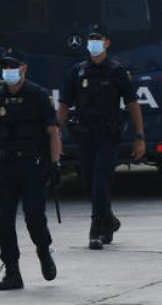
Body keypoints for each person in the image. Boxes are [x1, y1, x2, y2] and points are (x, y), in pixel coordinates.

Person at [0, 49, 61, 290]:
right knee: (4, 220)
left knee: (34, 216)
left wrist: (55, 163)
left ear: (24, 68)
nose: (9, 70)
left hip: (32, 164)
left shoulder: (38, 95)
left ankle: (43, 249)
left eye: (14, 66)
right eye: (5, 66)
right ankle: (12, 270)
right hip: (5, 166)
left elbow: (53, 132)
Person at [57, 25, 146, 250]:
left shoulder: (116, 71)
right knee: (88, 181)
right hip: (85, 135)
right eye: (91, 39)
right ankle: (109, 219)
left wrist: (140, 136)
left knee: (99, 179)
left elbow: (133, 104)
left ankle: (96, 229)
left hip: (108, 135)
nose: (94, 43)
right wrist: (56, 136)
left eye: (98, 39)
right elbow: (64, 104)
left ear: (107, 43)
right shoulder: (78, 72)